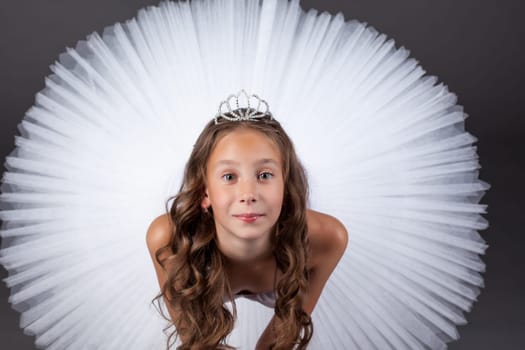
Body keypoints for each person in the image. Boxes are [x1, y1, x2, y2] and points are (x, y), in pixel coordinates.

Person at [146, 92, 348, 349]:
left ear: (286, 187)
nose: (248, 195)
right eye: (229, 177)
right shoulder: (169, 241)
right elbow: (197, 342)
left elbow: (279, 342)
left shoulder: (326, 239)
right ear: (204, 192)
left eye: (264, 175)